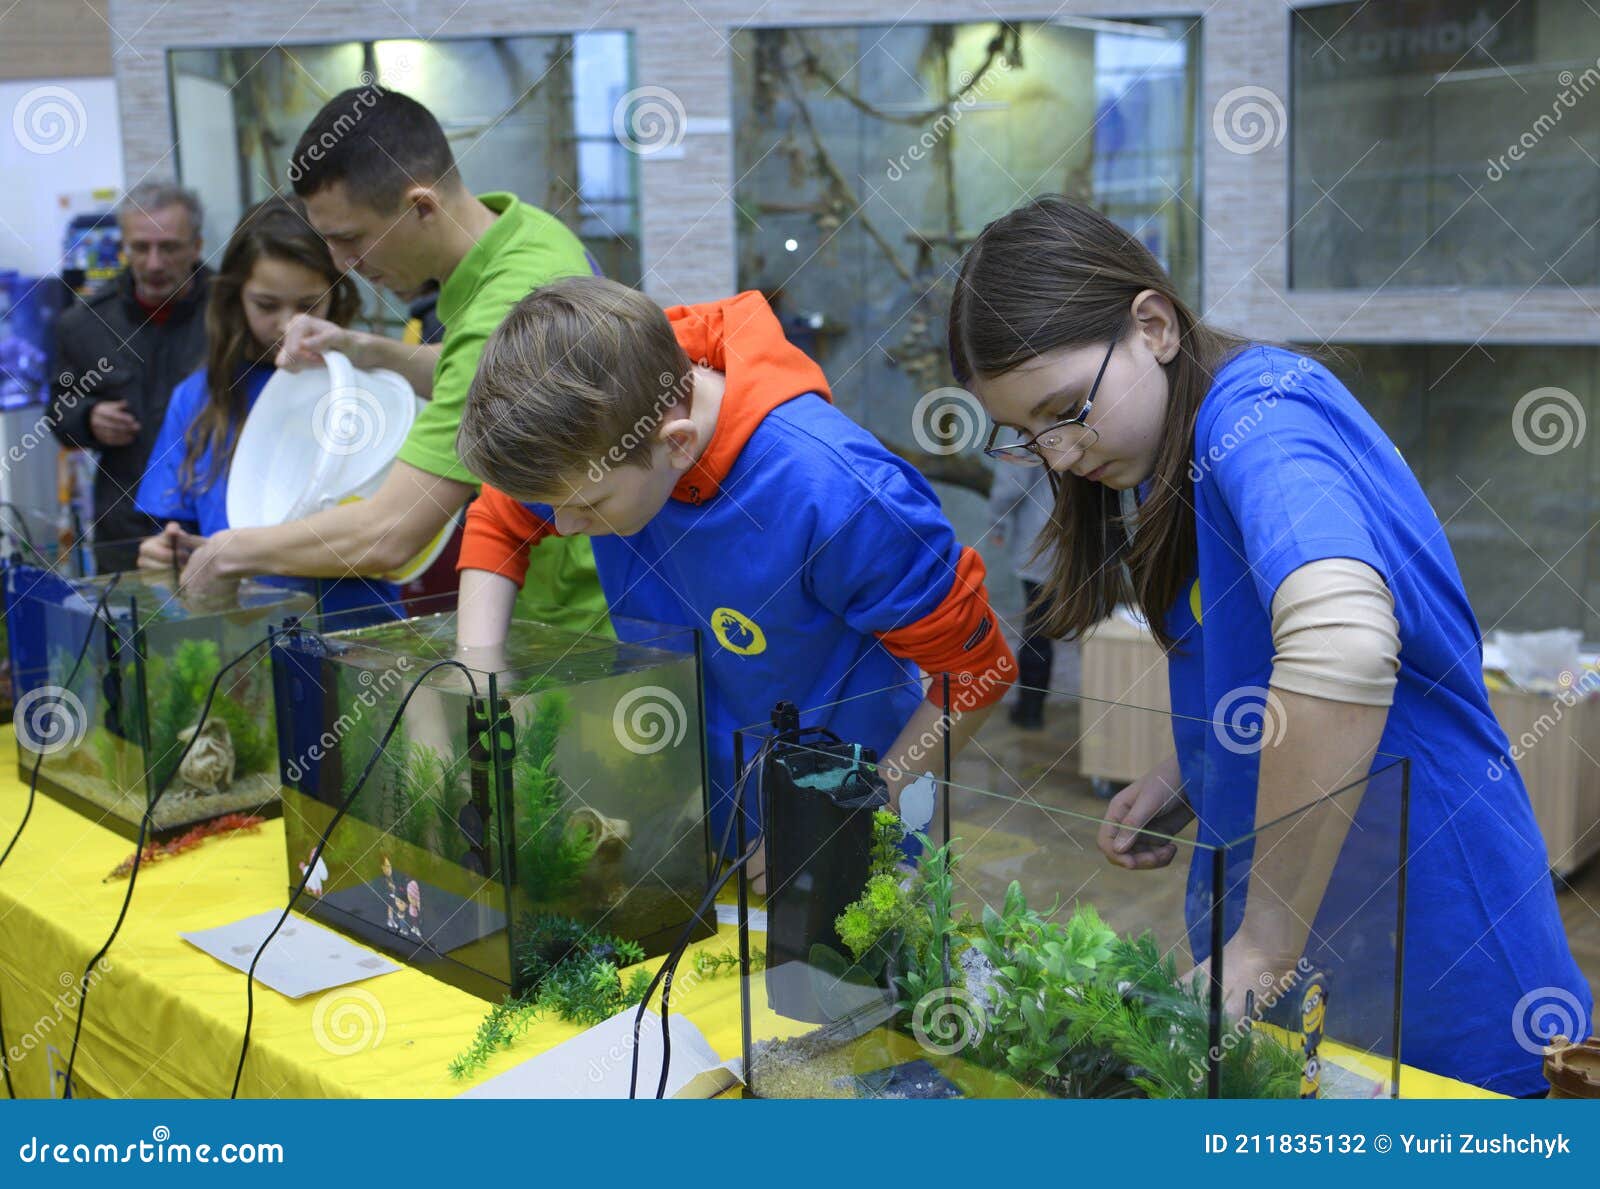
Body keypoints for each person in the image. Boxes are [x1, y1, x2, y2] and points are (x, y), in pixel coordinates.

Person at [946, 193, 1591, 1097]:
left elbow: (1342, 646)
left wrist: (1265, 941)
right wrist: (1185, 769)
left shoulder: (1263, 412)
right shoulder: (1161, 462)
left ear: (1154, 325)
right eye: (1027, 436)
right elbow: (1244, 651)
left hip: (1436, 951)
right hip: (1323, 961)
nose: (1056, 456)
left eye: (1066, 410)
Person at [453, 277, 1017, 843]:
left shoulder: (837, 495)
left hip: (844, 799)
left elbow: (976, 671)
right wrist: (482, 670)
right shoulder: (600, 420)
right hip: (691, 801)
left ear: (676, 443)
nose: (563, 526)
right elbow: (500, 519)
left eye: (586, 506)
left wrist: (850, 819)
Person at [176, 87, 606, 634]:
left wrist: (228, 553)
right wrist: (362, 349)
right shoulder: (526, 232)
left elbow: (390, 533)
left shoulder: (508, 303)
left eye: (350, 240)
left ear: (421, 205)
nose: (342, 264)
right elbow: (479, 377)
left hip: (578, 613)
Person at [134, 196, 401, 627]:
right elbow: (170, 533)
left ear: (338, 293)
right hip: (239, 642)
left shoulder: (374, 391)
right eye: (266, 304)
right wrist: (163, 556)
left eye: (310, 305)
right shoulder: (197, 399)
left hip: (359, 634)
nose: (288, 326)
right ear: (235, 297)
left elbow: (396, 541)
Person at [49, 182, 212, 572]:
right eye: (141, 247)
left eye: (169, 247)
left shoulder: (234, 310)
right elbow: (58, 411)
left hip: (216, 519)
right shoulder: (82, 323)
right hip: (126, 528)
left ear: (196, 246)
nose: (154, 263)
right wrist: (87, 417)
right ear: (124, 246)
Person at [985, 462, 1057, 728]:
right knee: (1048, 623)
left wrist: (997, 522)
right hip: (1077, 538)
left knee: (1038, 626)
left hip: (1043, 538)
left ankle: (1030, 711)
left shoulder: (1023, 425)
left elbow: (1011, 482)